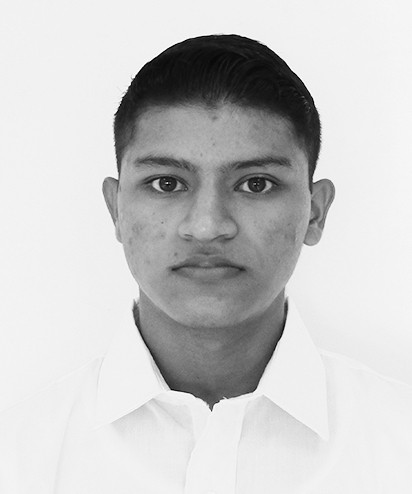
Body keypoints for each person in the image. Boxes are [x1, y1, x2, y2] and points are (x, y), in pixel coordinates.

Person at [1, 34, 411, 493]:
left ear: (315, 212)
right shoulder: (16, 462)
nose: (208, 226)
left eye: (256, 184)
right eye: (167, 183)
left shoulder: (400, 446)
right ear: (116, 209)